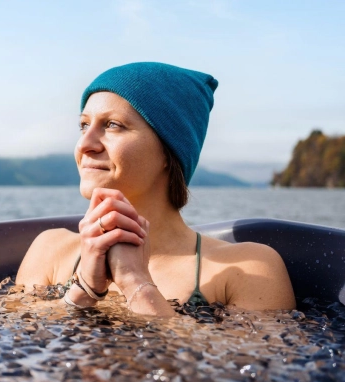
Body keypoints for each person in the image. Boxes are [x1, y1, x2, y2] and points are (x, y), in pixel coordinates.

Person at [16, 62, 295, 316]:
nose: (85, 144)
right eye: (84, 125)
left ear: (168, 151)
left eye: (113, 125)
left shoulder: (250, 269)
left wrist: (136, 281)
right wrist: (84, 290)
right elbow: (14, 351)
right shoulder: (50, 250)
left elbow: (249, 368)